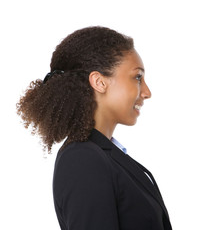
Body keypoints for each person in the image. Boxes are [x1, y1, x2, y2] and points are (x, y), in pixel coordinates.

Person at [17, 26, 173, 230]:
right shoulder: (83, 159)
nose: (147, 92)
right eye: (137, 77)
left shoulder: (104, 155)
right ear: (99, 82)